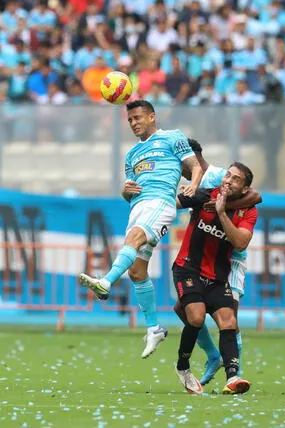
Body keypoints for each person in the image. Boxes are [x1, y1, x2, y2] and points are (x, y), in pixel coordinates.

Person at [79, 100, 203, 359]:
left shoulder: (172, 137)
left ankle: (105, 282)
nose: (134, 123)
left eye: (138, 118)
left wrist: (193, 185)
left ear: (152, 117)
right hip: (138, 207)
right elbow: (129, 190)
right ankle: (154, 328)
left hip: (161, 202)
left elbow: (195, 166)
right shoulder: (132, 155)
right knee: (136, 271)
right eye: (130, 120)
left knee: (134, 238)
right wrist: (125, 192)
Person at [174, 139, 262, 386]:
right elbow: (174, 203)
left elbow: (256, 196)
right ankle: (209, 357)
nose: (228, 179)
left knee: (229, 319)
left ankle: (234, 374)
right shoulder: (204, 188)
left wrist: (223, 210)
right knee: (186, 312)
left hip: (231, 263)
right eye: (228, 176)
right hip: (192, 265)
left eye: (235, 179)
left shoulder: (210, 174)